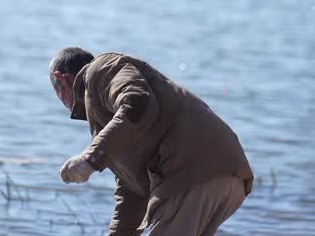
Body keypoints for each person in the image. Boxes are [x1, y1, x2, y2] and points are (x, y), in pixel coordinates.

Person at [49, 47, 254, 236]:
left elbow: (138, 102)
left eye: (56, 93)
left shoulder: (100, 69)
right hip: (227, 174)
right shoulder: (111, 125)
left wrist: (91, 159)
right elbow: (133, 187)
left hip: (191, 172)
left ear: (62, 79)